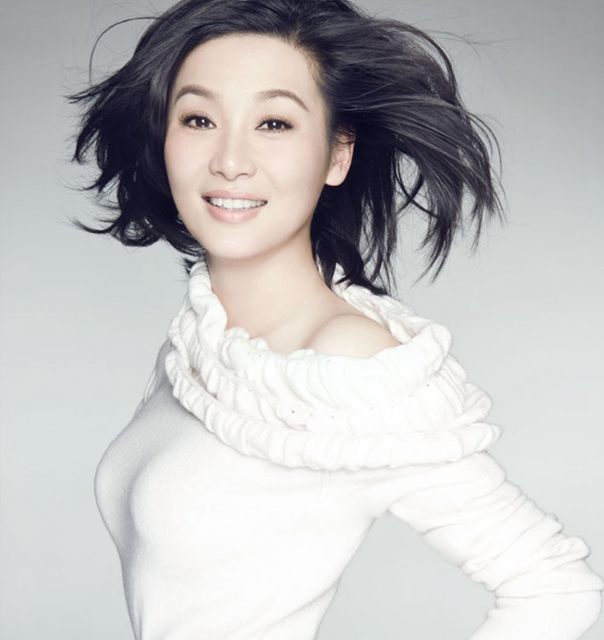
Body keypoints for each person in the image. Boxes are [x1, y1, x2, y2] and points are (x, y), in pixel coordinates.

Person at [70, 0, 603, 638]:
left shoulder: (347, 359)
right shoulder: (202, 336)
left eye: (273, 123)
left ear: (337, 154)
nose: (230, 160)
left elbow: (555, 588)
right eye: (199, 119)